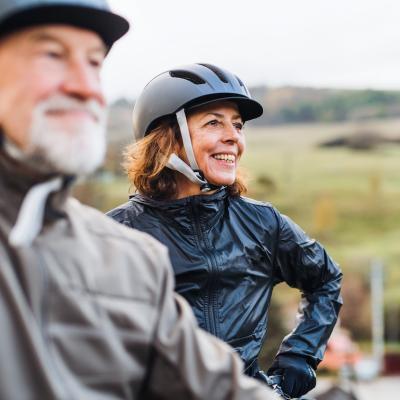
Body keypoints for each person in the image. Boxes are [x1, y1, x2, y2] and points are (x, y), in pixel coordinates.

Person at [0, 1, 278, 399]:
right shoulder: (126, 230)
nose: (86, 86)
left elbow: (214, 388)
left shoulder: (129, 260)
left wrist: (296, 369)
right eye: (52, 56)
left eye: (95, 63)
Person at [108, 63, 344, 399]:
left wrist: (299, 357)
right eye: (213, 123)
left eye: (237, 125)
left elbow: (326, 279)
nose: (233, 137)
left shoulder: (264, 224)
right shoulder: (114, 235)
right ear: (167, 139)